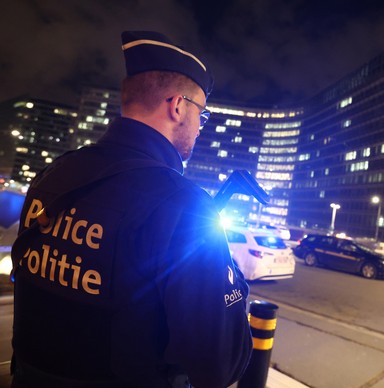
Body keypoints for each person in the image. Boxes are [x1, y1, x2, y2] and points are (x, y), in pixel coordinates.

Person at [10, 31, 252, 387]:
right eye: (202, 112)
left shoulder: (54, 175)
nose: (201, 126)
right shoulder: (184, 204)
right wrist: (230, 273)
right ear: (178, 106)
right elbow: (220, 363)